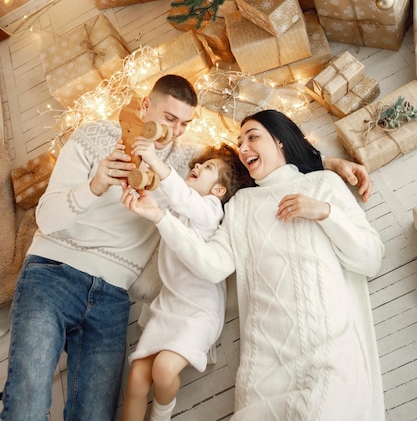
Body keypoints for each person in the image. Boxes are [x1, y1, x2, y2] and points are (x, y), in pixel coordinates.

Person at [0, 73, 372, 421]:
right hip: (52, 271)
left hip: (112, 294)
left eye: (184, 124)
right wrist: (95, 185)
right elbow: (46, 218)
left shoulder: (184, 163)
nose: (173, 131)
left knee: (96, 412)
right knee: (27, 397)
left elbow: (242, 167)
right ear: (145, 107)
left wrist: (326, 163)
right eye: (168, 118)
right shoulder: (91, 136)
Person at [121, 109, 385, 421]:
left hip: (326, 350)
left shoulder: (322, 185)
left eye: (253, 137)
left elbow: (371, 259)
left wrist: (325, 212)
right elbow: (213, 266)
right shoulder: (240, 206)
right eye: (240, 142)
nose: (244, 148)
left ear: (281, 141)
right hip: (264, 364)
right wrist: (161, 218)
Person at [122, 141, 252, 421]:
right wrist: (135, 193)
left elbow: (183, 198)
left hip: (199, 312)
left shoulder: (210, 211)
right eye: (197, 164)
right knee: (136, 378)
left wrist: (157, 162)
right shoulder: (176, 209)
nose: (196, 167)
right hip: (168, 306)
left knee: (164, 369)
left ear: (218, 191)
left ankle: (160, 415)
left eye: (207, 168)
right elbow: (163, 200)